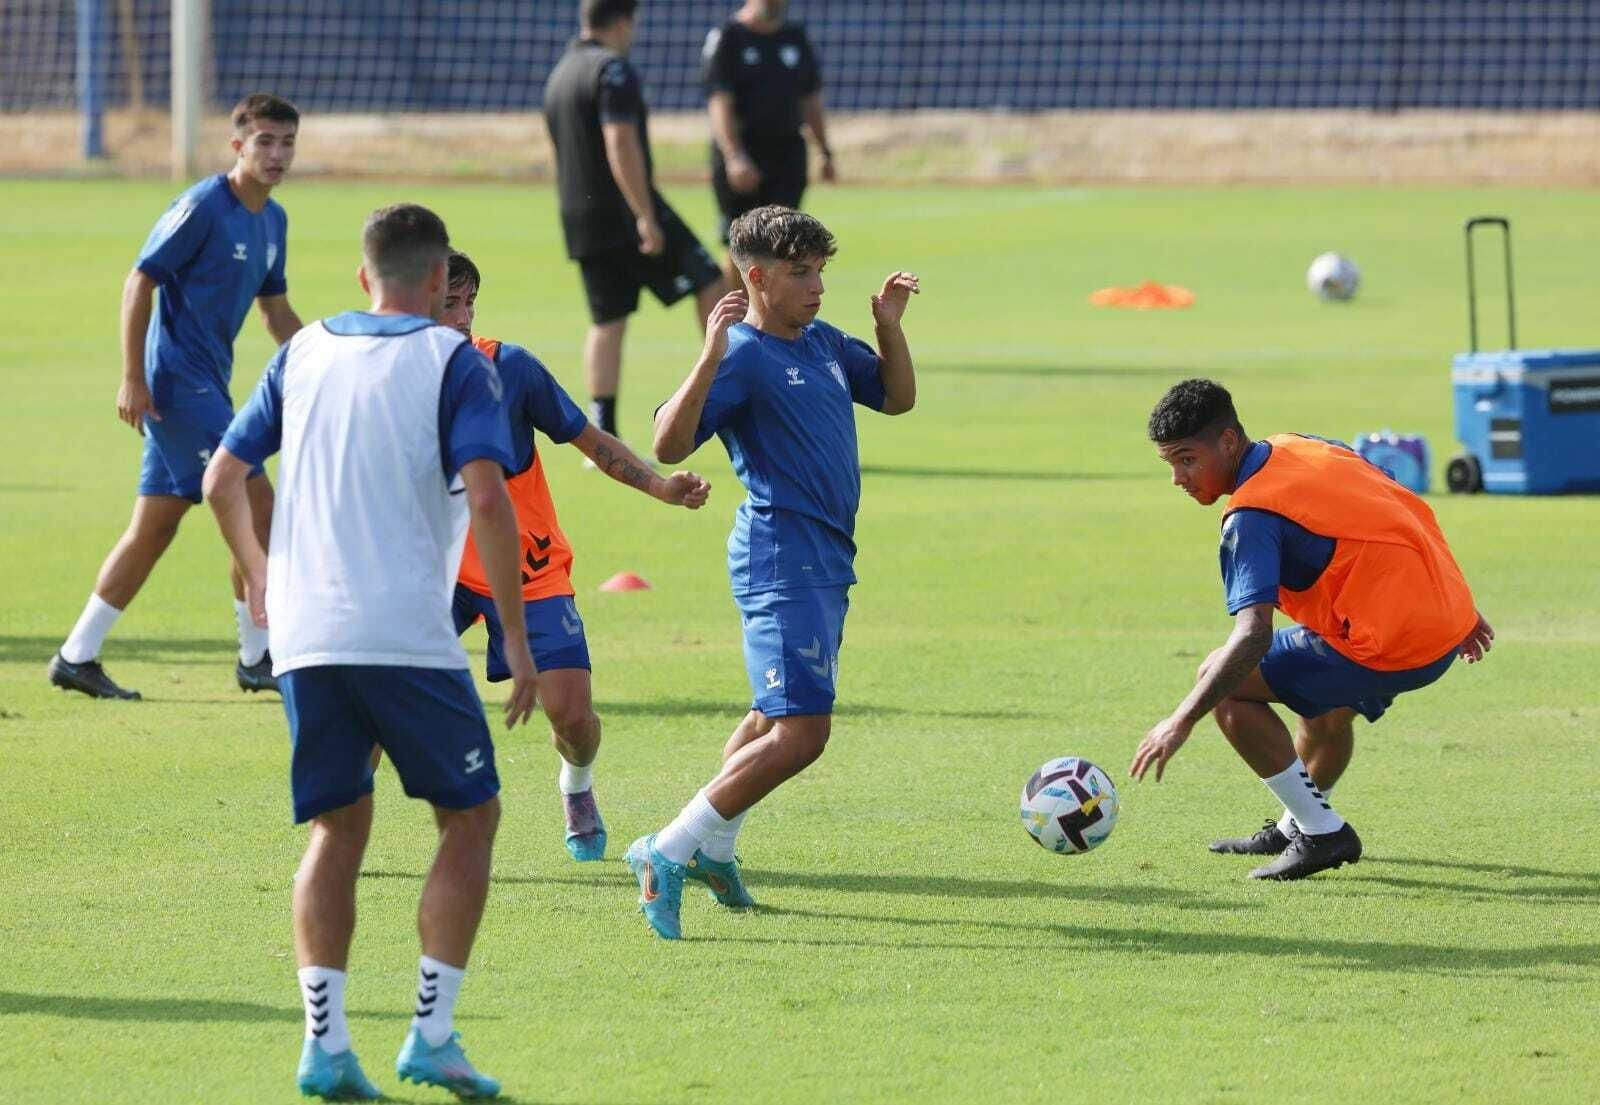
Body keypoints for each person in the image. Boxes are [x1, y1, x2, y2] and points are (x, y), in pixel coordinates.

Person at [203, 204, 535, 1100]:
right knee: (470, 817)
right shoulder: (453, 361)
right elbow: (490, 500)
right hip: (405, 636)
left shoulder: (302, 349)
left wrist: (259, 571)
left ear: (362, 276)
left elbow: (222, 476)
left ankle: (324, 1046)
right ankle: (431, 1034)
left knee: (338, 827)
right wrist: (515, 633)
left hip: (305, 635)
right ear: (439, 283)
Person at [627, 205, 919, 939]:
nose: (817, 285)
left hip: (825, 560)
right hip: (780, 558)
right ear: (756, 278)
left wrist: (888, 324)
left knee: (768, 716)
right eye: (799, 272)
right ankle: (666, 848)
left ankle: (715, 850)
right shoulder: (744, 357)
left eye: (821, 269)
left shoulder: (821, 341)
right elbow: (666, 442)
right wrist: (708, 352)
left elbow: (896, 396)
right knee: (802, 731)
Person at [1130, 379, 1495, 880]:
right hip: (1442, 625)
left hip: (1389, 644)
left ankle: (1322, 833)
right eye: (1170, 463)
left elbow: (1253, 633)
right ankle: (1294, 826)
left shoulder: (1251, 516)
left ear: (1229, 442)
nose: (1177, 477)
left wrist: (1181, 720)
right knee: (1320, 713)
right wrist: (1458, 605)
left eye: (1187, 459)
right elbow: (1397, 506)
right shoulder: (1301, 445)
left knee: (1222, 680)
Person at [440, 250, 711, 862]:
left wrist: (660, 486)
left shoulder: (509, 369)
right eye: (445, 305)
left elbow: (591, 441)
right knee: (378, 691)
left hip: (526, 568)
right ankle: (341, 827)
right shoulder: (386, 379)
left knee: (571, 716)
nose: (460, 319)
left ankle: (577, 782)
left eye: (468, 305)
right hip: (436, 573)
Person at [48, 92, 304, 701]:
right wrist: (132, 375)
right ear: (238, 145)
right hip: (175, 387)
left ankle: (75, 656)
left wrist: (326, 358)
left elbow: (274, 311)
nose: (276, 154)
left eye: (287, 142)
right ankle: (257, 655)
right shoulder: (202, 206)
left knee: (153, 529)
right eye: (264, 142)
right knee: (253, 500)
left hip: (207, 386)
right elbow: (141, 280)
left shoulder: (274, 220)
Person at [543, 0, 725, 445]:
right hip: (627, 213)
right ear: (623, 22)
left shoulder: (561, 74)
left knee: (608, 319)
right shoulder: (613, 71)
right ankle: (725, 396)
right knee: (712, 283)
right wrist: (645, 215)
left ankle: (601, 433)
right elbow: (619, 140)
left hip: (581, 216)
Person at [703, 0, 834, 288]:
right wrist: (734, 156)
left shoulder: (795, 37)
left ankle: (773, 325)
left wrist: (824, 151)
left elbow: (809, 100)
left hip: (787, 157)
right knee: (740, 246)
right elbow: (719, 102)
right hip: (745, 155)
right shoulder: (729, 37)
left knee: (783, 243)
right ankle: (735, 326)